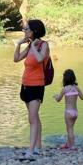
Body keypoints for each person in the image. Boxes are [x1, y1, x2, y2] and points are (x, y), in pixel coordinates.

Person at [14, 19, 49, 157]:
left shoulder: (44, 45)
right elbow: (16, 59)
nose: (25, 31)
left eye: (26, 29)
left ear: (34, 31)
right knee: (35, 117)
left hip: (37, 86)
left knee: (32, 119)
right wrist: (19, 44)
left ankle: (31, 150)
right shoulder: (29, 46)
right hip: (26, 85)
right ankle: (38, 147)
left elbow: (40, 59)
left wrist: (33, 46)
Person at [53, 69, 83, 151]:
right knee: (70, 128)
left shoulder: (64, 89)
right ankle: (68, 144)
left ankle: (72, 146)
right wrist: (78, 92)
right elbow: (82, 98)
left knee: (69, 129)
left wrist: (55, 96)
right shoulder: (77, 88)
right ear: (74, 78)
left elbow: (58, 99)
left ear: (64, 79)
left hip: (68, 112)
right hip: (75, 112)